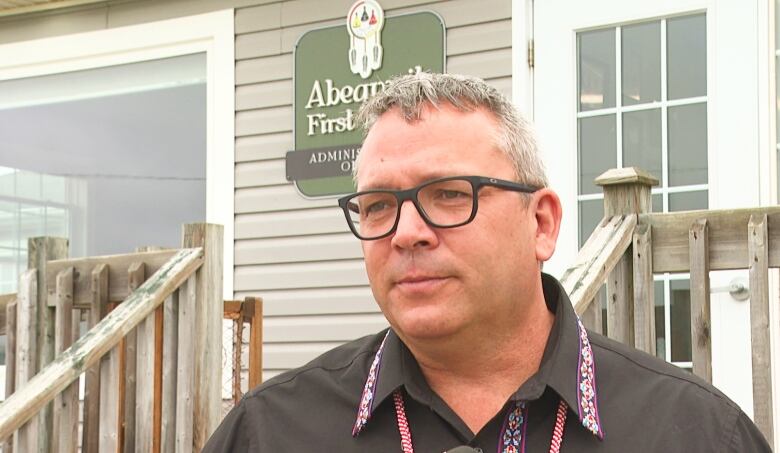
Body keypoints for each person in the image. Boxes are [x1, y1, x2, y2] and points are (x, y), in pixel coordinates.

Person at [203, 72, 771, 452]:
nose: (407, 233)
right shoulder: (270, 432)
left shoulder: (695, 434)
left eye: (450, 194)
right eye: (378, 206)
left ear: (542, 223)